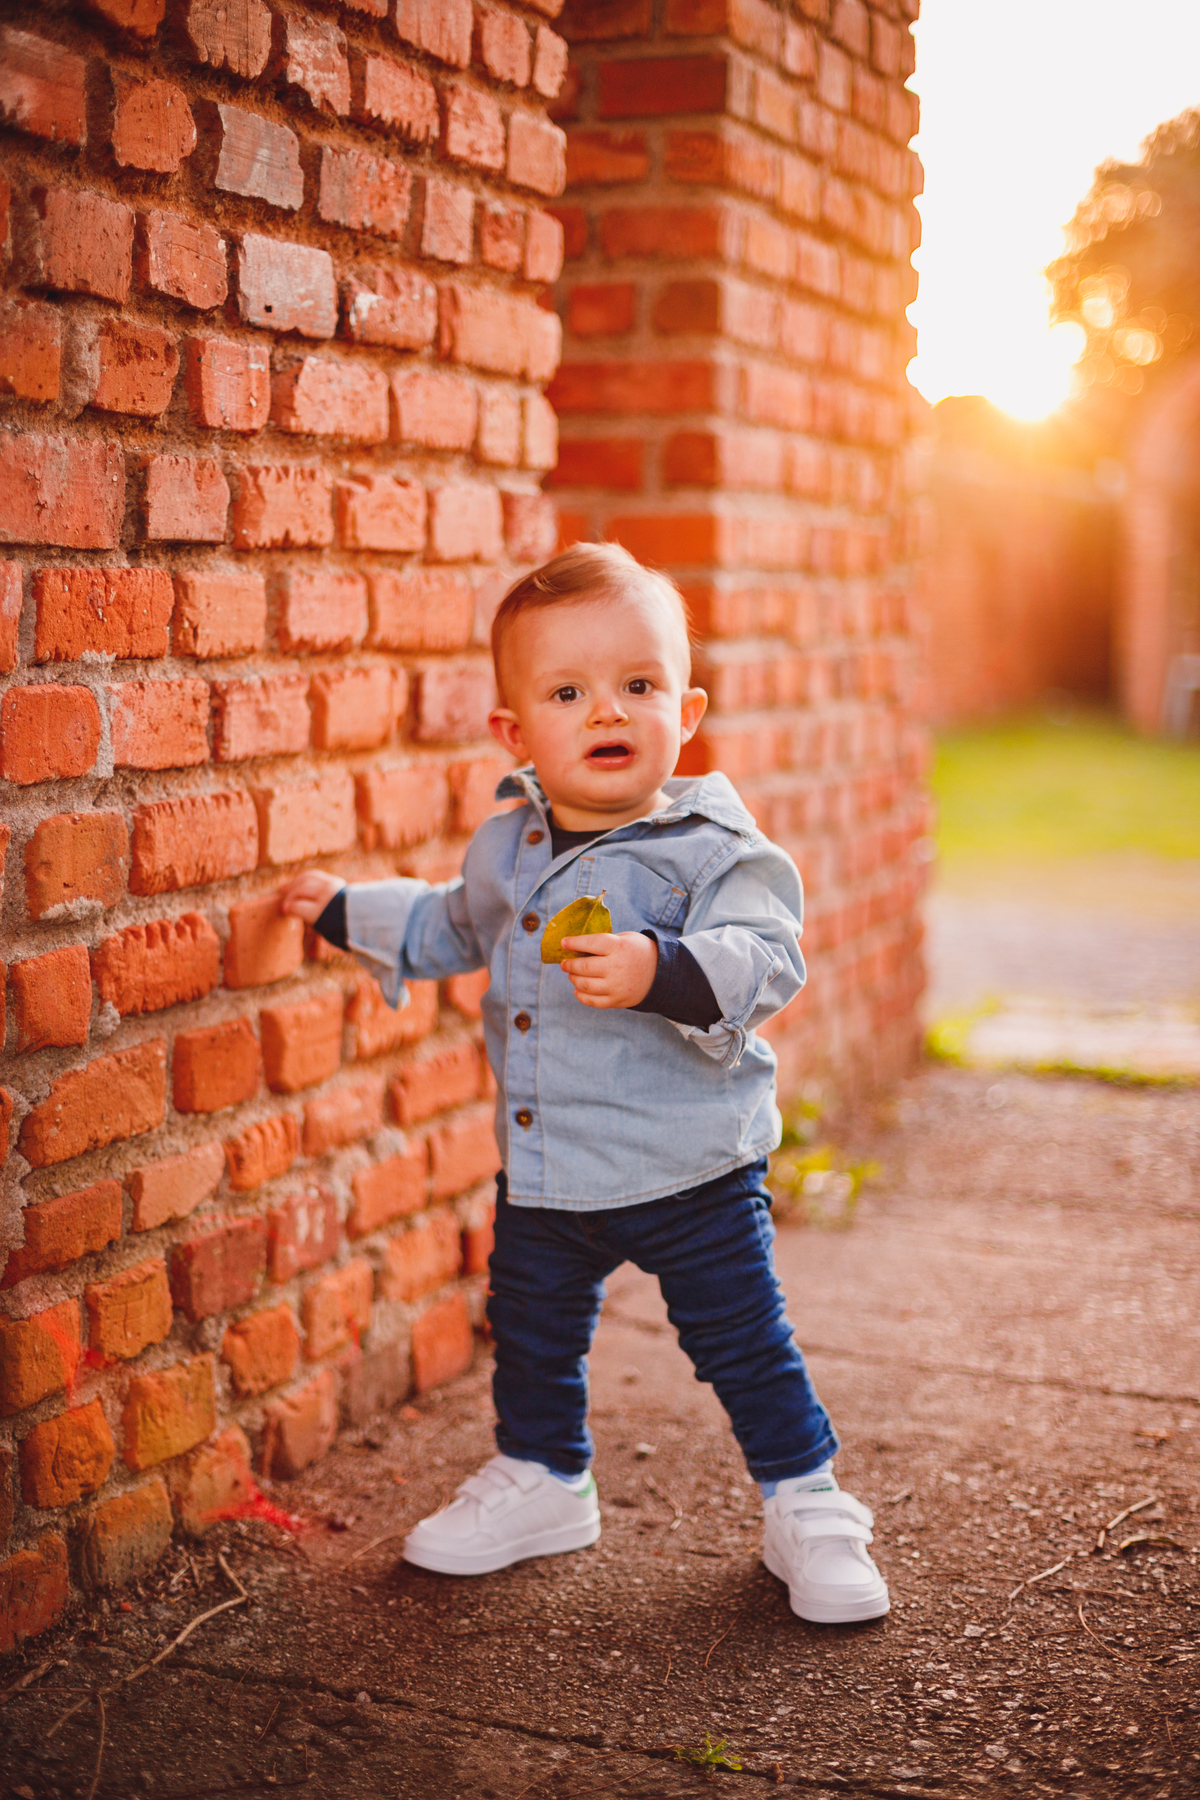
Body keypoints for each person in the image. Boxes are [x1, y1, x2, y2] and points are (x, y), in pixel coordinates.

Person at [279, 542, 888, 1625]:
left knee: (742, 1342)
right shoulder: (506, 848)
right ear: (515, 733)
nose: (609, 709)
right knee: (532, 1330)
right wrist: (345, 912)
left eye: (639, 686)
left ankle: (810, 1501)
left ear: (685, 710)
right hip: (551, 1167)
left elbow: (767, 953)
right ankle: (543, 1478)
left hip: (689, 1163)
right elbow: (449, 925)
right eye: (569, 691)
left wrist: (663, 967)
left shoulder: (709, 847)